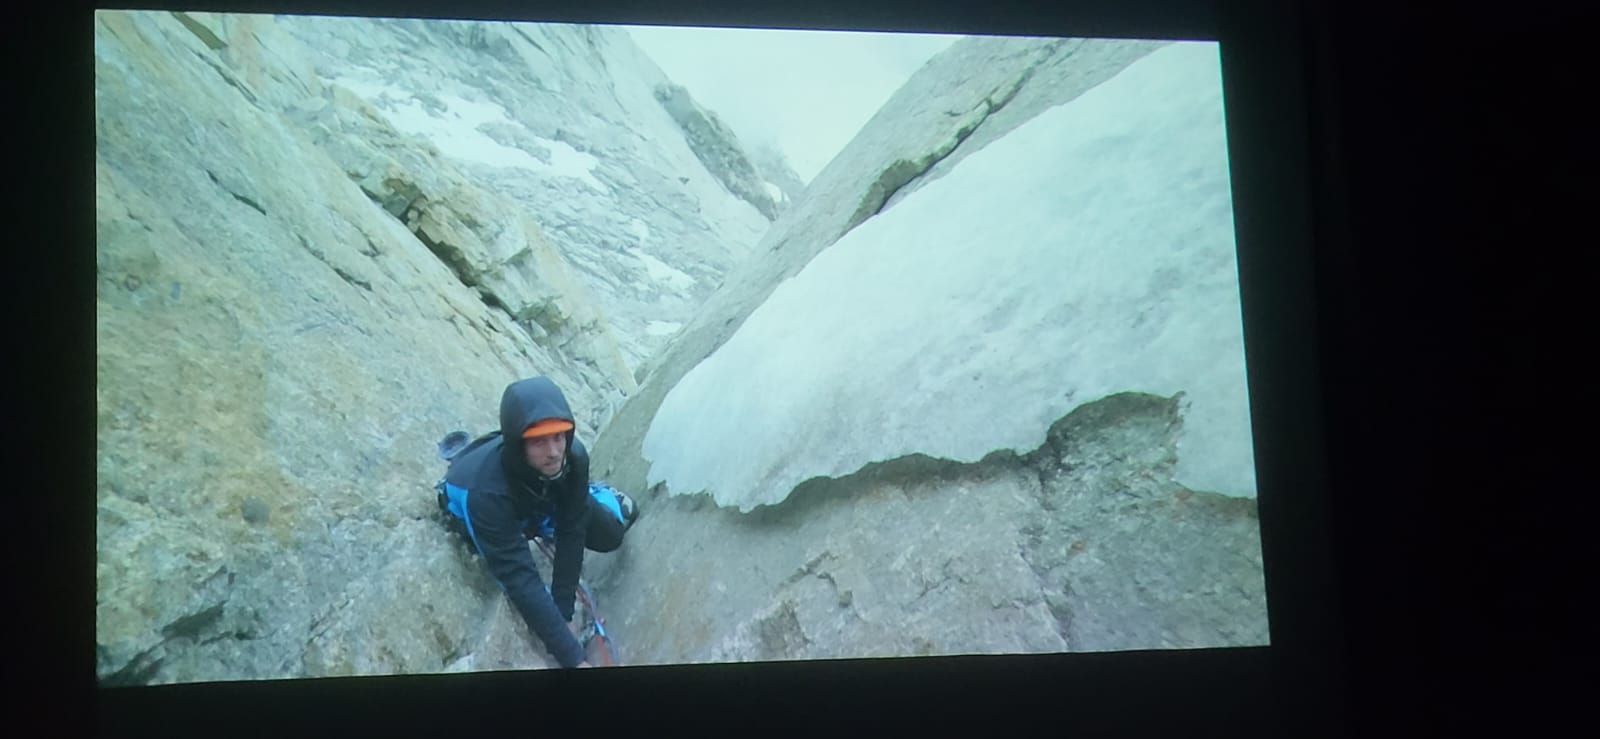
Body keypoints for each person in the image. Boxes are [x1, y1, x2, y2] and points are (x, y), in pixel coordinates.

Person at [436, 376, 637, 668]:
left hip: (539, 497)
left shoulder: (573, 455)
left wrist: (563, 611)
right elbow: (521, 580)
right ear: (519, 444)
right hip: (498, 506)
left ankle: (597, 493)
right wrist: (573, 658)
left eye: (559, 437)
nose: (554, 451)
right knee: (512, 577)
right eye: (539, 441)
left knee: (611, 533)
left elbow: (572, 530)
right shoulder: (484, 495)